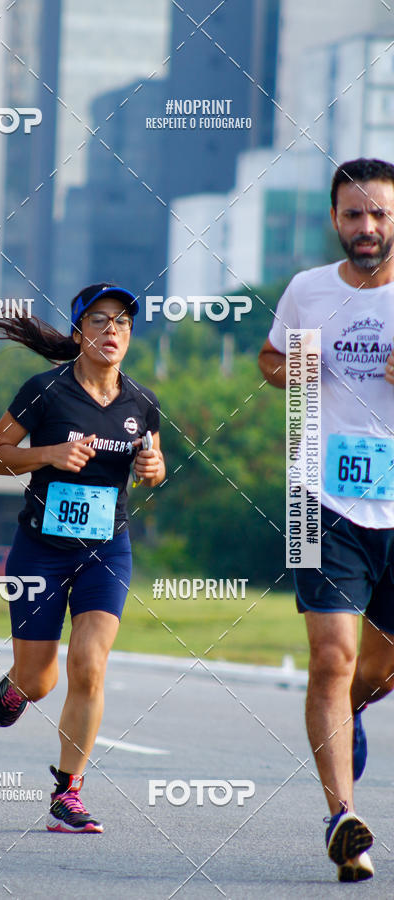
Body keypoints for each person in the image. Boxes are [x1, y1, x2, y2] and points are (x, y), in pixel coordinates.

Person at [0, 283, 165, 833]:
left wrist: (154, 472)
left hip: (107, 551)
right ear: (80, 331)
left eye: (123, 323)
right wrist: (50, 454)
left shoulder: (142, 402)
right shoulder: (44, 391)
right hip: (40, 550)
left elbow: (153, 464)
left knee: (90, 664)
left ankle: (68, 791)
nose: (113, 331)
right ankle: (16, 684)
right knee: (40, 681)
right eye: (101, 321)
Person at [258, 158, 394, 882]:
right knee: (331, 661)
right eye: (353, 215)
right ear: (334, 220)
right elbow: (269, 360)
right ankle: (344, 817)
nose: (366, 228)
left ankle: (355, 710)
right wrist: (293, 371)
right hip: (320, 498)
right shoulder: (308, 290)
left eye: (379, 215)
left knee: (372, 673)